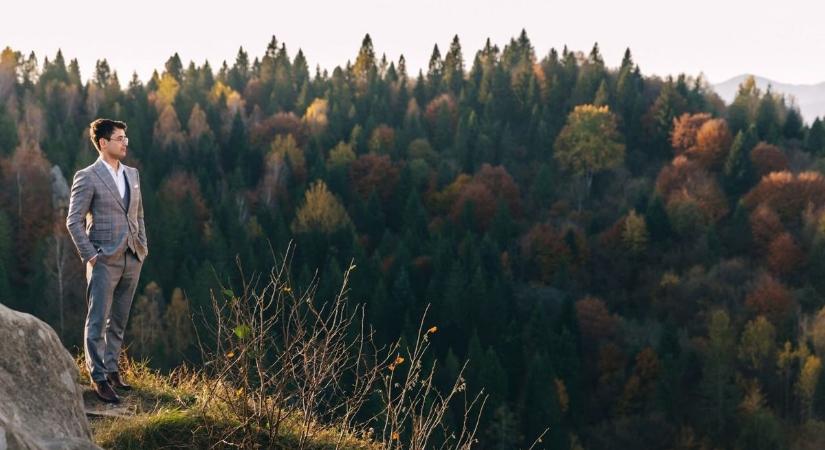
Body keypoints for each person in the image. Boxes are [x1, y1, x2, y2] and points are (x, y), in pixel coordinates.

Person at [66, 118, 148, 403]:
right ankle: (98, 376)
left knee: (120, 319)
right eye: (119, 138)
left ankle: (112, 370)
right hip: (103, 259)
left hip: (132, 256)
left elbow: (137, 215)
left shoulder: (133, 174)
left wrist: (142, 247)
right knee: (98, 319)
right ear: (103, 143)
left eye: (126, 137)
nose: (125, 142)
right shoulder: (87, 176)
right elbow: (73, 221)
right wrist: (91, 256)